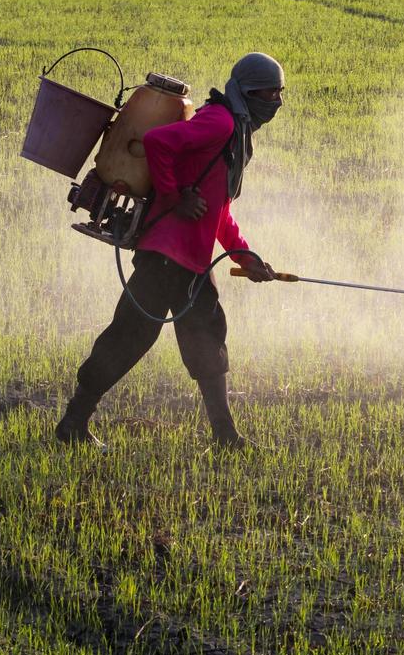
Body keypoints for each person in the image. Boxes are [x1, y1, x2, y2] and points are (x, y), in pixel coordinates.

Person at [55, 52, 285, 452]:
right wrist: (176, 196)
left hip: (190, 258)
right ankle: (74, 421)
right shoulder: (221, 120)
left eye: (281, 94)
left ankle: (225, 436)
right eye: (270, 93)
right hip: (166, 253)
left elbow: (220, 209)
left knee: (204, 338)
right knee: (132, 336)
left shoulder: (236, 130)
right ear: (249, 91)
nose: (276, 102)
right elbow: (157, 142)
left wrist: (244, 256)